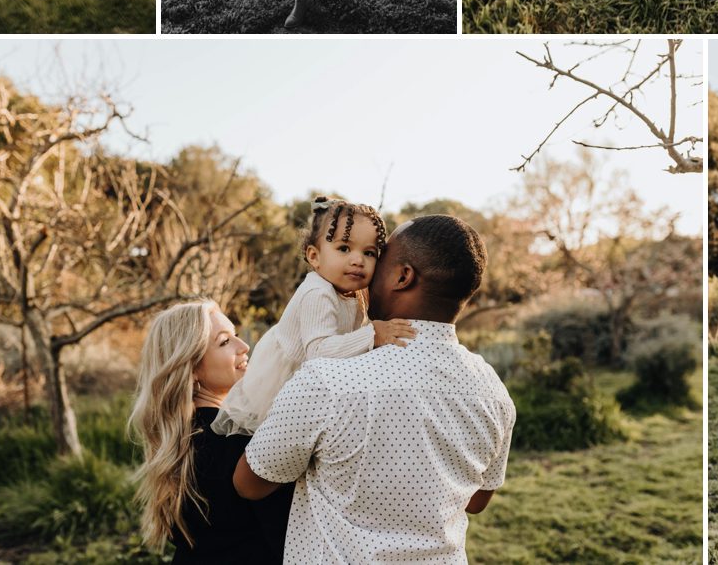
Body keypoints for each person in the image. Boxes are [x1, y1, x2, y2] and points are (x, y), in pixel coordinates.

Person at [235, 213, 516, 562]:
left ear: (402, 276)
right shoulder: (494, 393)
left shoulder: (327, 381)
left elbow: (250, 483)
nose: (364, 267)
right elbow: (476, 500)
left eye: (377, 256)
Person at [214, 197, 413, 437]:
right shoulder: (317, 292)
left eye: (369, 253)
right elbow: (319, 351)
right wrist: (374, 334)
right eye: (344, 248)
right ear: (314, 256)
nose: (358, 260)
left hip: (313, 382)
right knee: (275, 442)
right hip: (284, 381)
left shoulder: (355, 293)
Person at [131, 298, 290, 563]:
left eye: (236, 335)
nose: (244, 346)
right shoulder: (234, 440)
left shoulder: (181, 442)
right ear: (191, 367)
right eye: (225, 342)